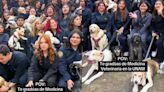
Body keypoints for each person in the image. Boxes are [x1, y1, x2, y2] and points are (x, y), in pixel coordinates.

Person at [151, 0, 164, 66]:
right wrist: (153, 31)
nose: (158, 5)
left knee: (159, 42)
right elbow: (152, 25)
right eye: (156, 4)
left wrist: (161, 14)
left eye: (160, 4)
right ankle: (155, 50)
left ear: (163, 6)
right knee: (156, 41)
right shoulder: (153, 14)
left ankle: (161, 60)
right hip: (157, 33)